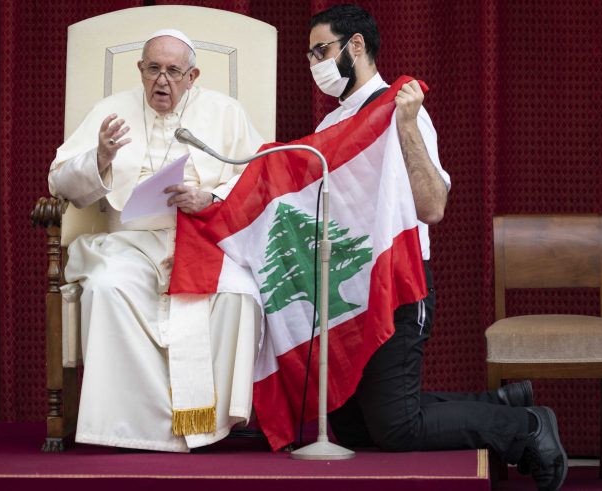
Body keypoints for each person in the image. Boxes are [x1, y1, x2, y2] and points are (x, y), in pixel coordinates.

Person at [307, 6, 567, 491]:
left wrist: (406, 125)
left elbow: (433, 207)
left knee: (397, 430)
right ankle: (500, 404)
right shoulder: (329, 126)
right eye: (310, 55)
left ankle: (526, 427)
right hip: (349, 292)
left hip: (397, 285)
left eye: (320, 51)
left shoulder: (402, 110)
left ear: (355, 45)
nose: (314, 64)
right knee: (353, 427)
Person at [48, 29, 264, 452]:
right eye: (153, 69)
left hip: (204, 240)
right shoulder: (110, 112)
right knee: (106, 287)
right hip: (128, 242)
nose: (162, 80)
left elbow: (258, 176)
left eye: (173, 71)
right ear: (140, 70)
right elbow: (59, 181)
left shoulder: (226, 113)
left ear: (192, 76)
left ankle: (210, 422)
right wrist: (100, 158)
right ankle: (128, 423)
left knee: (240, 294)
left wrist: (210, 197)